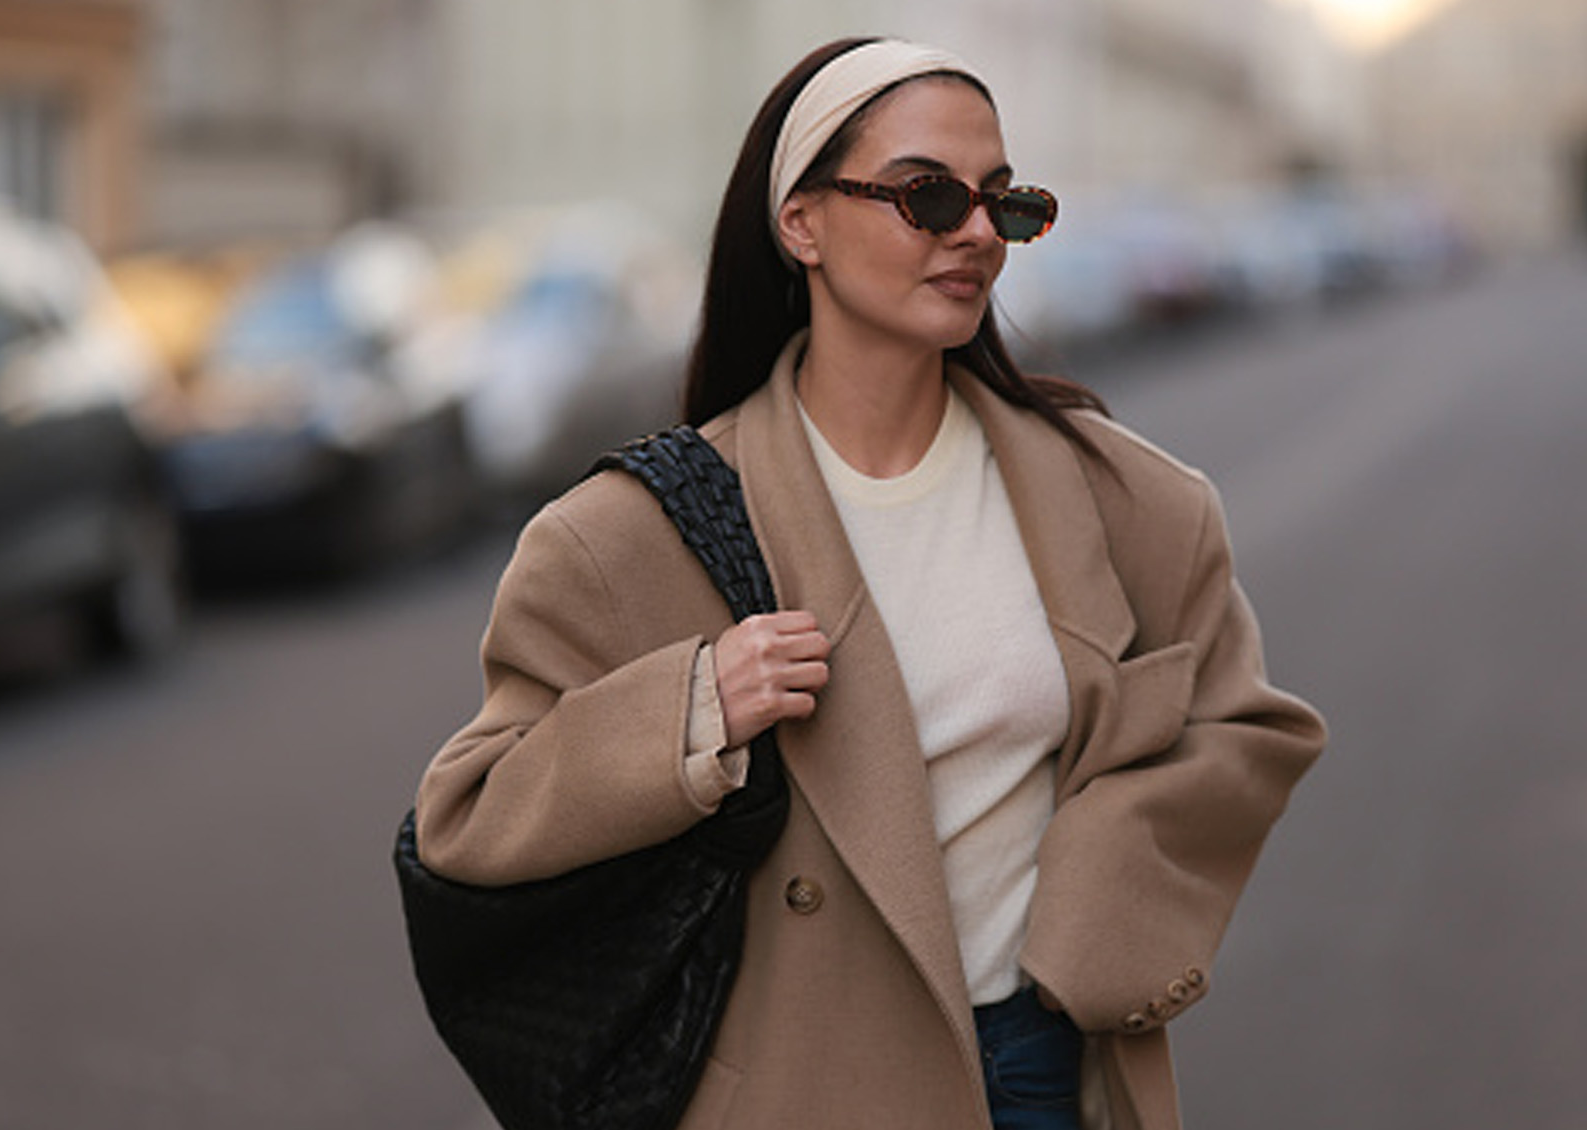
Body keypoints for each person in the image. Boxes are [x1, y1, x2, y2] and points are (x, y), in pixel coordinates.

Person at [414, 36, 1327, 1130]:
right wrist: (691, 709)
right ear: (799, 220)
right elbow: (466, 818)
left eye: (1006, 203)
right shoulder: (628, 535)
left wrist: (1095, 924)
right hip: (787, 1086)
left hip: (1043, 1070)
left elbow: (1242, 726)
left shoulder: (1126, 499)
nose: (976, 233)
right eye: (925, 197)